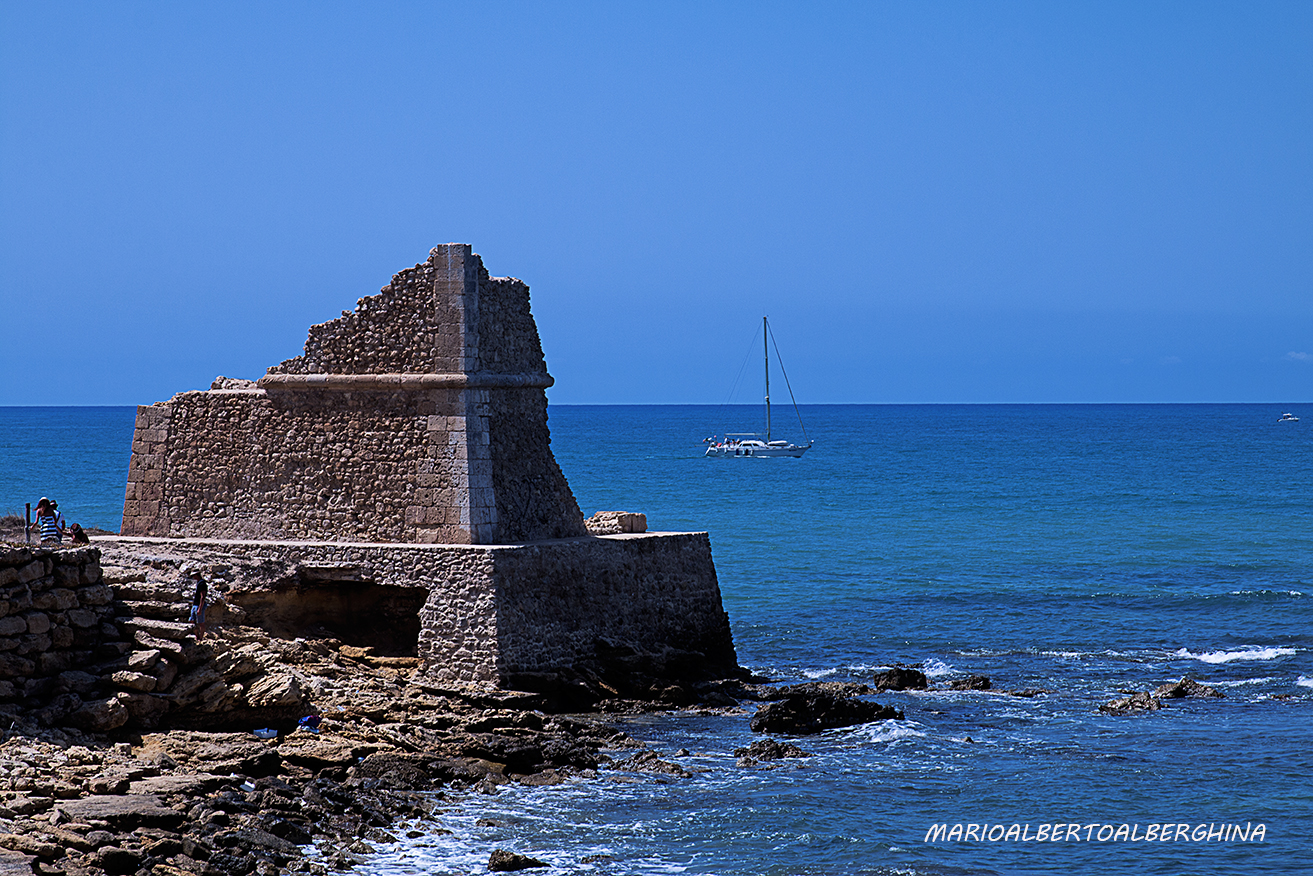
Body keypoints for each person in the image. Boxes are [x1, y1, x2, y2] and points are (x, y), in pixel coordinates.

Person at [187, 570, 208, 641]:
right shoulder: (199, 583)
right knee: (191, 620)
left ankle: (201, 637)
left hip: (199, 605)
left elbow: (203, 597)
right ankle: (197, 635)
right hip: (195, 604)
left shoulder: (202, 583)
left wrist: (200, 608)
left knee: (201, 622)